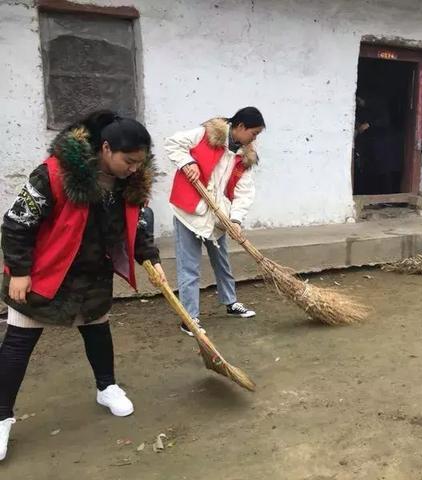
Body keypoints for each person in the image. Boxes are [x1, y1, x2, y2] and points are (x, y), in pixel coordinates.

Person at [0, 110, 166, 461]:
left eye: (140, 162)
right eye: (129, 160)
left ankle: (106, 387)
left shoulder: (128, 184)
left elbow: (135, 226)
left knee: (97, 331)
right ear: (105, 148)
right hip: (46, 272)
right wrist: (19, 270)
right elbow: (17, 222)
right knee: (18, 345)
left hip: (92, 274)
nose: (134, 168)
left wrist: (150, 258)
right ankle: (1, 416)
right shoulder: (54, 173)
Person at [166, 107, 265, 336]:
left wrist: (237, 220)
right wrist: (187, 162)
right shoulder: (205, 134)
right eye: (254, 133)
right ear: (240, 127)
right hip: (189, 211)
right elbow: (173, 143)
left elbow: (243, 190)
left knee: (222, 261)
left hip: (219, 214)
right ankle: (189, 318)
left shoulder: (244, 156)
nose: (255, 138)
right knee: (188, 267)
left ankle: (230, 303)